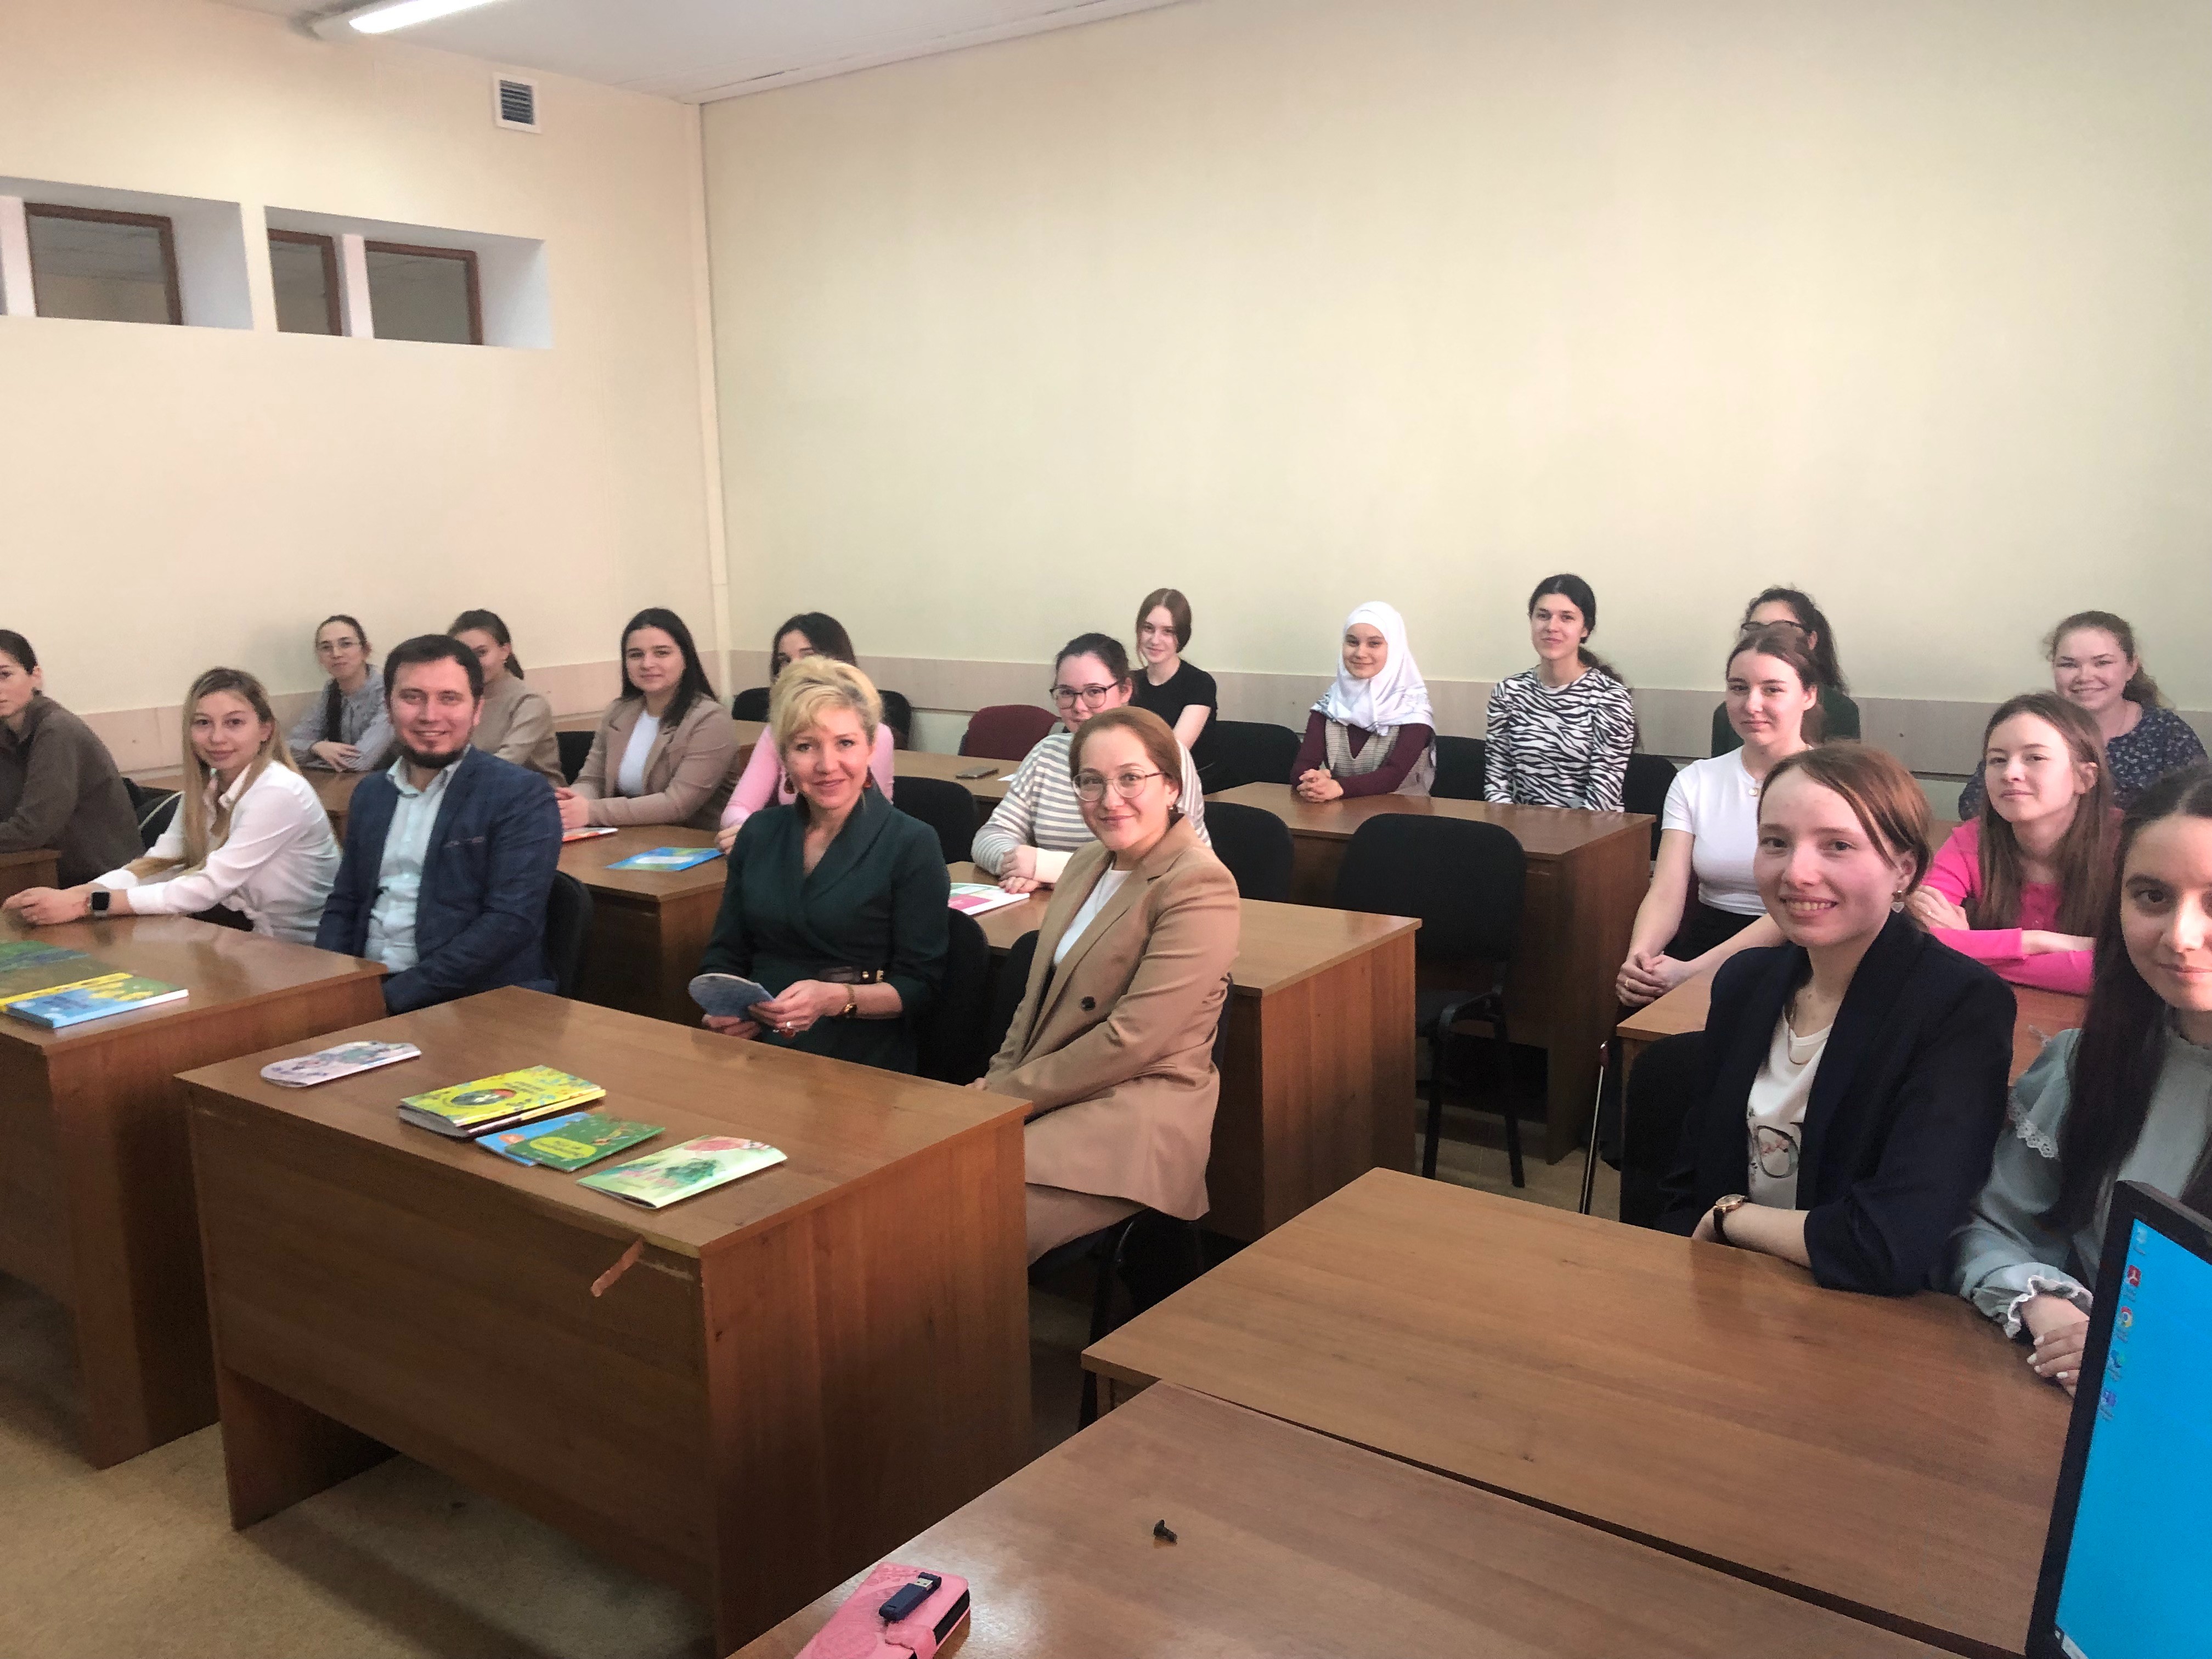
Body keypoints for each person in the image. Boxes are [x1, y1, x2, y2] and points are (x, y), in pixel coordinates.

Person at [1656, 744, 2013, 1295]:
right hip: (1726, 1292)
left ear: (1905, 870)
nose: (1797, 873)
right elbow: (1688, 1185)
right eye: (1776, 842)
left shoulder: (1959, 1004)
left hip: (1854, 1311)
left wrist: (1732, 1218)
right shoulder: (1744, 982)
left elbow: (1890, 1244)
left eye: (1838, 846)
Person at [1946, 766, 2212, 1395]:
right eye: (2152, 897)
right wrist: (2053, 1311)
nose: (2180, 937)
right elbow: (1993, 1226)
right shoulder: (2087, 1063)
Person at [975, 706, 1240, 1261]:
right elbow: (1033, 1001)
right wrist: (996, 1082)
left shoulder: (1200, 883)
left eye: (1130, 778)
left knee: (967, 1213)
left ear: (1172, 786)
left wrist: (1004, 1098)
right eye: (1090, 781)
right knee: (923, 1188)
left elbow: (1130, 1040)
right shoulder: (1084, 863)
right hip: (1055, 1087)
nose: (1109, 799)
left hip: (1135, 1110)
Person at [696, 658, 947, 1073]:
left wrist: (836, 999)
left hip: (859, 1052)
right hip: (760, 1043)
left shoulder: (912, 842)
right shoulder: (759, 833)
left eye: (845, 743)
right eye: (805, 746)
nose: (827, 765)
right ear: (784, 758)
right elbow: (725, 954)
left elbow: (920, 987)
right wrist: (725, 1011)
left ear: (871, 748)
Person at [316, 635, 562, 1014]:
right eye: (412, 697)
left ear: (477, 710)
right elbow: (345, 901)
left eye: (449, 698)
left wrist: (389, 1000)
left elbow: (509, 923)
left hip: (475, 999)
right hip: (371, 988)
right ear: (389, 707)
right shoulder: (371, 794)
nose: (430, 715)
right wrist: (332, 985)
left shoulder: (519, 795)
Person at [4, 668, 337, 943]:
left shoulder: (278, 791)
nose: (217, 738)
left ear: (265, 730)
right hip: (239, 936)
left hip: (300, 952)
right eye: (203, 723)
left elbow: (206, 887)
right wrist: (76, 893)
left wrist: (84, 903)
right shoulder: (208, 786)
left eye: (234, 723)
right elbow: (159, 864)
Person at [1616, 628, 1818, 1007]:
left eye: (1772, 690)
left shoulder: (1829, 784)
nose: (1751, 704)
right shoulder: (1696, 780)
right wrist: (1640, 959)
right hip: (1707, 938)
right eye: (1739, 688)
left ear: (1808, 695)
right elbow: (1667, 890)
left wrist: (1693, 972)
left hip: (1797, 947)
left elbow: (1793, 907)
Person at [1908, 693, 2116, 996]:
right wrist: (2038, 941)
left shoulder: (2127, 845)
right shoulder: (1971, 840)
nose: (2010, 773)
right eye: (1997, 760)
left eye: (2035, 758)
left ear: (2085, 778)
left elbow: (2116, 971)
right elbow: (1913, 939)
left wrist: (1966, 950)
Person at [973, 633, 1209, 892]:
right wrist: (1017, 865)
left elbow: (1179, 865)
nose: (1079, 706)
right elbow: (991, 835)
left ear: (1125, 690)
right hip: (1055, 905)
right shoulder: (1046, 754)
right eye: (1066, 693)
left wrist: (1047, 868)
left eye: (1094, 692)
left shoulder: (1164, 752)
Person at [1957, 611, 2204, 816]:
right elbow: (1973, 806)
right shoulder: (2029, 727)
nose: (2085, 676)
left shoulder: (2166, 733)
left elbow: (2199, 810)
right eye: (2069, 665)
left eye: (2102, 663)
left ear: (2131, 668)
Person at [716, 612, 894, 849]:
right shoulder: (776, 732)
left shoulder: (874, 733)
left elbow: (872, 822)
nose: (795, 668)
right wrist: (751, 833)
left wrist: (774, 840)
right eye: (784, 661)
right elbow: (738, 808)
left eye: (808, 656)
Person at [560, 607, 738, 832]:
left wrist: (591, 812)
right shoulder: (618, 712)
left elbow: (677, 804)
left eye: (661, 653)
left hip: (693, 842)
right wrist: (570, 804)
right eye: (636, 655)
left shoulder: (710, 719)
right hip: (630, 837)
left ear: (686, 658)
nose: (647, 664)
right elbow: (593, 780)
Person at [0, 630, 141, 889]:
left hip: (102, 885)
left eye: (4, 675)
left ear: (35, 676)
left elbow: (33, 829)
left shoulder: (56, 730)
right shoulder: (8, 732)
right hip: (50, 878)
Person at [1483, 574, 1637, 811]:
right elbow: (1496, 782)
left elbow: (1602, 801)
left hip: (1595, 829)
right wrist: (1509, 827)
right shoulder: (1508, 692)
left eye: (1567, 618)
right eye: (1543, 616)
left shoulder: (1610, 698)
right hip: (1519, 827)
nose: (1552, 627)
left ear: (1585, 629)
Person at [1290, 602, 1435, 799]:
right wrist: (1312, 781)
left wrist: (1339, 787)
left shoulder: (1413, 709)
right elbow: (1302, 767)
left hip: (1402, 814)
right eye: (1352, 642)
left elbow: (1394, 776)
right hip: (1337, 814)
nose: (1360, 653)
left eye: (1374, 644)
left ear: (1395, 649)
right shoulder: (1329, 706)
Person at [1709, 587, 1860, 755]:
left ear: (1811, 641)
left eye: (1782, 630)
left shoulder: (1840, 710)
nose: (1752, 707)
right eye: (1755, 629)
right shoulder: (1728, 713)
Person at [450, 610, 561, 783]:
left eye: (481, 653)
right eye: (464, 656)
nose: (473, 663)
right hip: (472, 791)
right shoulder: (456, 700)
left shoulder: (529, 703)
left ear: (505, 651)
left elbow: (504, 766)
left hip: (531, 794)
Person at [1130, 588, 1218, 780]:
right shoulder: (1128, 682)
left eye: (1168, 631)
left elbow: (1173, 754)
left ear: (1182, 636)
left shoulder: (1199, 683)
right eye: (1148, 628)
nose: (1155, 640)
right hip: (1135, 779)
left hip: (1187, 784)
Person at [286, 614, 393, 773]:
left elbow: (359, 762)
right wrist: (315, 747)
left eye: (346, 644)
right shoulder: (331, 691)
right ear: (320, 657)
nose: (336, 654)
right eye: (326, 647)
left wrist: (309, 758)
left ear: (366, 650)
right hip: (344, 782)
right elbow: (286, 748)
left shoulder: (389, 692)